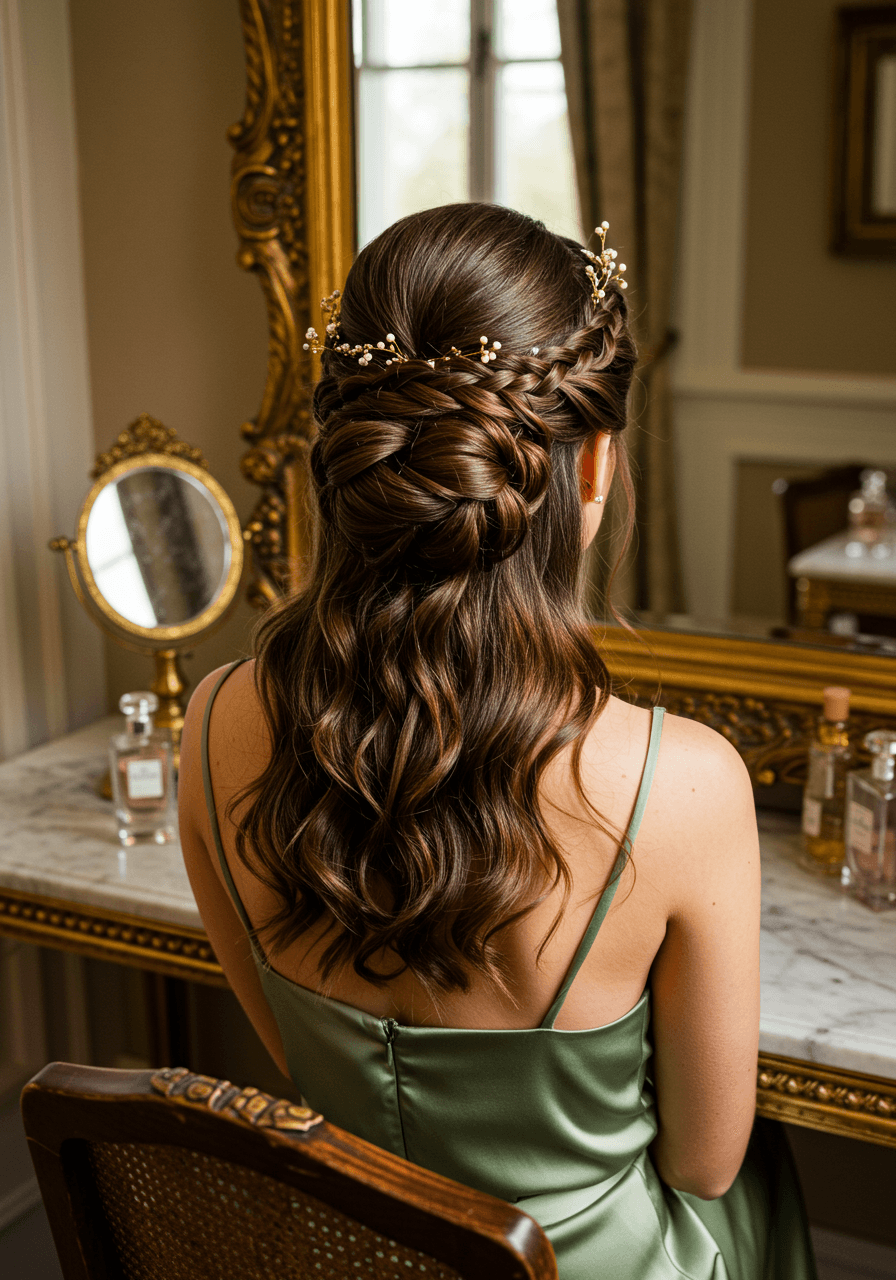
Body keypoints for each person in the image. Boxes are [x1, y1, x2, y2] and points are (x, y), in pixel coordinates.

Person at [179, 203, 816, 1280]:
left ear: (355, 461)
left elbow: (296, 1061)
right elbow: (704, 1162)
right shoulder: (681, 785)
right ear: (593, 465)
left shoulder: (211, 721)